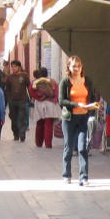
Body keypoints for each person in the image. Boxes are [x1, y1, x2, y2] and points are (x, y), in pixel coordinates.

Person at [58, 56, 99, 186]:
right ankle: (66, 174)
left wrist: (92, 109)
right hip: (69, 118)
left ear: (82, 67)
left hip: (84, 118)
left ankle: (84, 177)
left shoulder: (87, 81)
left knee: (83, 147)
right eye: (74, 66)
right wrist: (76, 105)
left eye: (79, 65)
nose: (77, 68)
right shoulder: (65, 82)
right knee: (69, 147)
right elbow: (61, 100)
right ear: (69, 67)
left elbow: (92, 97)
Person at [30, 68, 60, 149]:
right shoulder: (52, 81)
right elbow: (56, 93)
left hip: (39, 104)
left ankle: (39, 143)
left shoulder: (34, 82)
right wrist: (54, 100)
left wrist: (38, 98)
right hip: (50, 104)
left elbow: (31, 92)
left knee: (39, 123)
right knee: (48, 124)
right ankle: (48, 144)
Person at [4, 60, 31, 141]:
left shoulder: (24, 75)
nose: (13, 68)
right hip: (12, 100)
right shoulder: (9, 77)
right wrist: (8, 99)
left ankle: (22, 133)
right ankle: (15, 133)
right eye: (12, 66)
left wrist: (30, 96)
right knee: (13, 117)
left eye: (15, 66)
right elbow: (7, 89)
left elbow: (28, 86)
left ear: (19, 67)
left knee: (22, 117)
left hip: (22, 99)